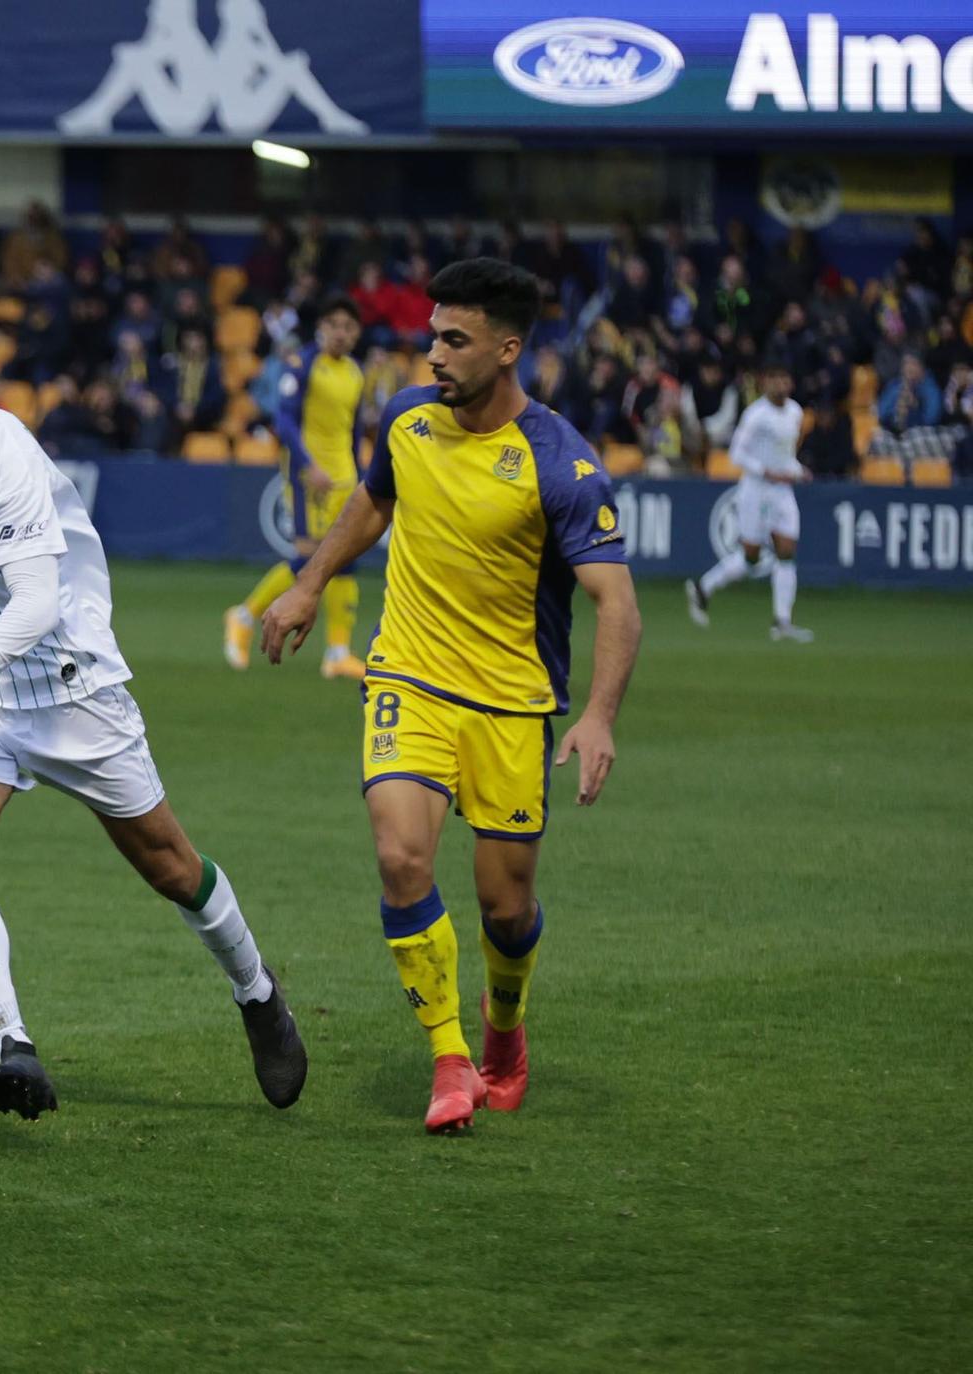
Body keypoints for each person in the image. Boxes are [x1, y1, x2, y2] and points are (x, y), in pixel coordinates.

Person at [0, 279, 308, 1119]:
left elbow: (34, 607)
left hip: (67, 688)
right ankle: (13, 1047)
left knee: (169, 866)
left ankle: (255, 991)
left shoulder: (5, 456)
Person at [260, 259, 641, 1134]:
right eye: (433, 335)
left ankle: (504, 1031)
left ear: (508, 350)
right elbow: (370, 504)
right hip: (409, 677)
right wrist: (311, 581)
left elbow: (616, 603)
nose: (432, 354)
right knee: (401, 858)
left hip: (511, 703)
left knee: (507, 908)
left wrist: (598, 716)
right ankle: (449, 1056)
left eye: (454, 340)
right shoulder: (407, 420)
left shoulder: (563, 464)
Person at [224, 295, 367, 677]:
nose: (341, 333)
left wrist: (359, 477)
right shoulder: (303, 365)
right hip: (310, 478)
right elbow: (284, 422)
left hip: (344, 478)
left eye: (348, 327)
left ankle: (338, 652)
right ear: (322, 328)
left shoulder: (355, 372)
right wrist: (310, 466)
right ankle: (244, 615)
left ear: (356, 333)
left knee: (346, 560)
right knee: (309, 557)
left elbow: (352, 432)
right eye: (334, 325)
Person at [687, 362, 814, 642]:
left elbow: (786, 454)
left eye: (784, 379)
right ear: (765, 383)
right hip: (756, 490)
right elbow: (736, 454)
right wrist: (764, 470)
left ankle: (782, 621)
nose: (780, 384)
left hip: (783, 491)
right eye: (775, 379)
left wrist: (796, 469)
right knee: (751, 557)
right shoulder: (755, 415)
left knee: (787, 551)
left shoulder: (795, 411)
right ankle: (704, 587)